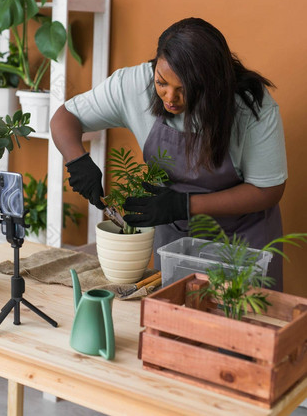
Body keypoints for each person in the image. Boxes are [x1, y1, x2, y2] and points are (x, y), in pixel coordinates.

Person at [50, 17, 287, 291]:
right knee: (173, 320)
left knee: (242, 324)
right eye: (162, 83)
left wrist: (184, 205)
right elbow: (64, 117)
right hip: (175, 239)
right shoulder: (134, 85)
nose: (170, 98)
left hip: (242, 241)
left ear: (212, 85)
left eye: (184, 90)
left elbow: (268, 190)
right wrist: (77, 160)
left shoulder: (251, 107)